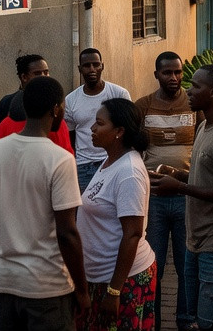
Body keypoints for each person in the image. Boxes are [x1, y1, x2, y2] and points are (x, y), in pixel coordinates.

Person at [0, 76, 88, 331]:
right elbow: (67, 232)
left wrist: (13, 232)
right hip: (47, 287)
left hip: (5, 282)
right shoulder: (60, 159)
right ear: (56, 110)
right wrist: (82, 290)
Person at [149, 64, 213, 331]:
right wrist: (178, 175)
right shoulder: (204, 126)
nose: (188, 91)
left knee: (211, 322)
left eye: (195, 86)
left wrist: (179, 188)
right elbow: (206, 177)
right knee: (200, 319)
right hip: (198, 239)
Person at [77, 99, 157, 331]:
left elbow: (132, 234)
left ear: (119, 131)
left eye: (100, 123)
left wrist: (114, 291)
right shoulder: (109, 161)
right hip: (99, 277)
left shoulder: (129, 172)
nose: (92, 129)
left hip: (123, 281)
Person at [135, 51, 199, 330]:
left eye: (178, 72)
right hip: (155, 200)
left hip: (186, 196)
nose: (174, 77)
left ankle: (186, 320)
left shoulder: (194, 104)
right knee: (154, 266)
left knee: (187, 266)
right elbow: (132, 146)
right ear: (156, 75)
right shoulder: (143, 106)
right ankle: (154, 322)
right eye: (167, 73)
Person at [65, 49, 132, 190]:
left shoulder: (119, 94)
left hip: (114, 161)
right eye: (86, 65)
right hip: (84, 166)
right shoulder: (71, 100)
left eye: (96, 64)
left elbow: (129, 129)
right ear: (80, 69)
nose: (92, 69)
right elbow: (70, 135)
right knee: (86, 204)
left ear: (102, 66)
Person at [0, 55, 74, 153]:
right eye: (37, 73)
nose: (43, 76)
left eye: (46, 72)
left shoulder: (57, 122)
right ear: (24, 77)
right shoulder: (6, 105)